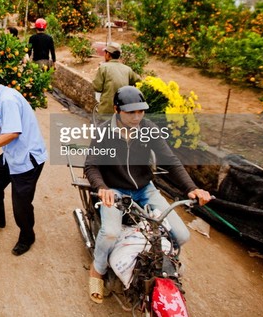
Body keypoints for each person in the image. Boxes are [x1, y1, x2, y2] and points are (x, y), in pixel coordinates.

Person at [84, 86, 212, 303]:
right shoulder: (104, 132)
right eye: (131, 112)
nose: (137, 117)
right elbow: (91, 166)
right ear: (117, 110)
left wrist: (192, 188)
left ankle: (160, 267)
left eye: (141, 112)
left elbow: (169, 160)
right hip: (114, 189)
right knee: (111, 233)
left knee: (182, 235)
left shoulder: (148, 128)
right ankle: (97, 270)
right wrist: (102, 188)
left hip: (144, 189)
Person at [0, 70, 47, 256]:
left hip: (26, 159)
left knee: (21, 202)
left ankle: (27, 236)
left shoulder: (7, 100)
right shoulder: (4, 95)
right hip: (12, 154)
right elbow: (6, 130)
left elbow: (13, 133)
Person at [91, 42, 139, 117]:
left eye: (105, 53)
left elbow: (97, 87)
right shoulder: (127, 69)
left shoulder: (103, 67)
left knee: (103, 126)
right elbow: (138, 81)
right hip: (123, 109)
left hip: (107, 110)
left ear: (108, 54)